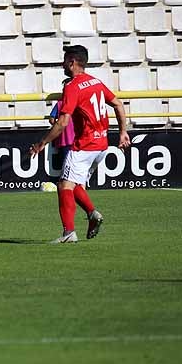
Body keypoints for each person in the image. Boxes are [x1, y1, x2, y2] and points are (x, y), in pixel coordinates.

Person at [29, 45, 131, 243]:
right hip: (102, 145)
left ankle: (69, 233)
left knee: (64, 185)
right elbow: (118, 104)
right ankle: (92, 215)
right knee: (72, 183)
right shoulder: (96, 82)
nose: (63, 64)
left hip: (84, 145)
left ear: (72, 62)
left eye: (65, 60)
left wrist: (42, 143)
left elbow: (63, 122)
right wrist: (123, 132)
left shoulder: (73, 86)